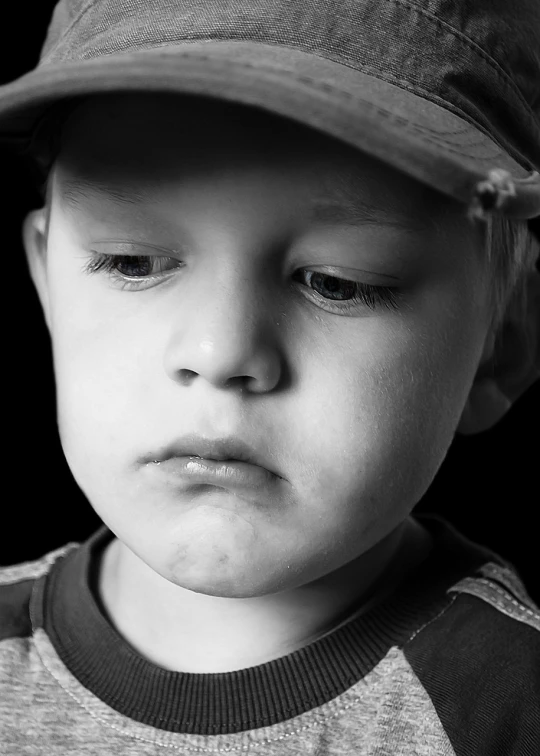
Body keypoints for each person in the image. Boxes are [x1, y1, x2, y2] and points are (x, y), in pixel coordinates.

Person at [0, 0, 539, 753]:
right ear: (47, 284)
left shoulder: (509, 706)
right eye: (132, 263)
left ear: (503, 340)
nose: (220, 351)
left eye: (338, 282)